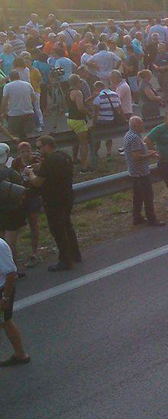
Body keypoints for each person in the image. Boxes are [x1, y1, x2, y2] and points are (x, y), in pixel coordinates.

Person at [26, 135, 80, 271]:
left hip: (53, 200)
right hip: (67, 196)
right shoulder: (65, 156)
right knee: (67, 225)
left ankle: (65, 260)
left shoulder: (49, 161)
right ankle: (75, 254)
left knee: (58, 230)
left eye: (39, 147)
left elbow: (37, 182)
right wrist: (41, 166)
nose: (38, 151)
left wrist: (30, 172)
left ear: (47, 146)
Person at [123, 116, 164, 227]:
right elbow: (135, 156)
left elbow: (138, 152)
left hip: (134, 171)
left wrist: (150, 153)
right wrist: (149, 155)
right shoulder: (135, 138)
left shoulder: (129, 135)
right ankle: (151, 219)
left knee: (138, 196)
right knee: (148, 196)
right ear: (135, 125)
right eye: (141, 123)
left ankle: (137, 217)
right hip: (140, 172)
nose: (143, 125)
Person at [0, 237, 29, 367]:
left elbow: (11, 274)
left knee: (5, 322)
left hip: (3, 291)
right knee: (6, 322)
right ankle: (20, 355)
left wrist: (5, 298)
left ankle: (21, 355)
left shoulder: (0, 246)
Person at [0, 144, 26, 278]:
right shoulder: (10, 172)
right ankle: (13, 270)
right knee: (10, 244)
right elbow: (22, 188)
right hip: (11, 211)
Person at [91, 81, 123, 161]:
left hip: (101, 121)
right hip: (111, 120)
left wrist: (93, 124)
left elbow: (96, 111)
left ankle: (95, 153)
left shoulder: (99, 96)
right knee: (109, 137)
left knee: (98, 138)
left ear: (97, 88)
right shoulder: (115, 94)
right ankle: (109, 153)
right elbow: (120, 108)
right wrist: (124, 120)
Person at [1, 68, 37, 139]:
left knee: (15, 136)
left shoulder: (7, 86)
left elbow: (4, 100)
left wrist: (3, 112)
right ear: (19, 76)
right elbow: (34, 98)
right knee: (28, 135)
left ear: (10, 78)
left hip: (14, 114)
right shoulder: (27, 84)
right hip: (28, 112)